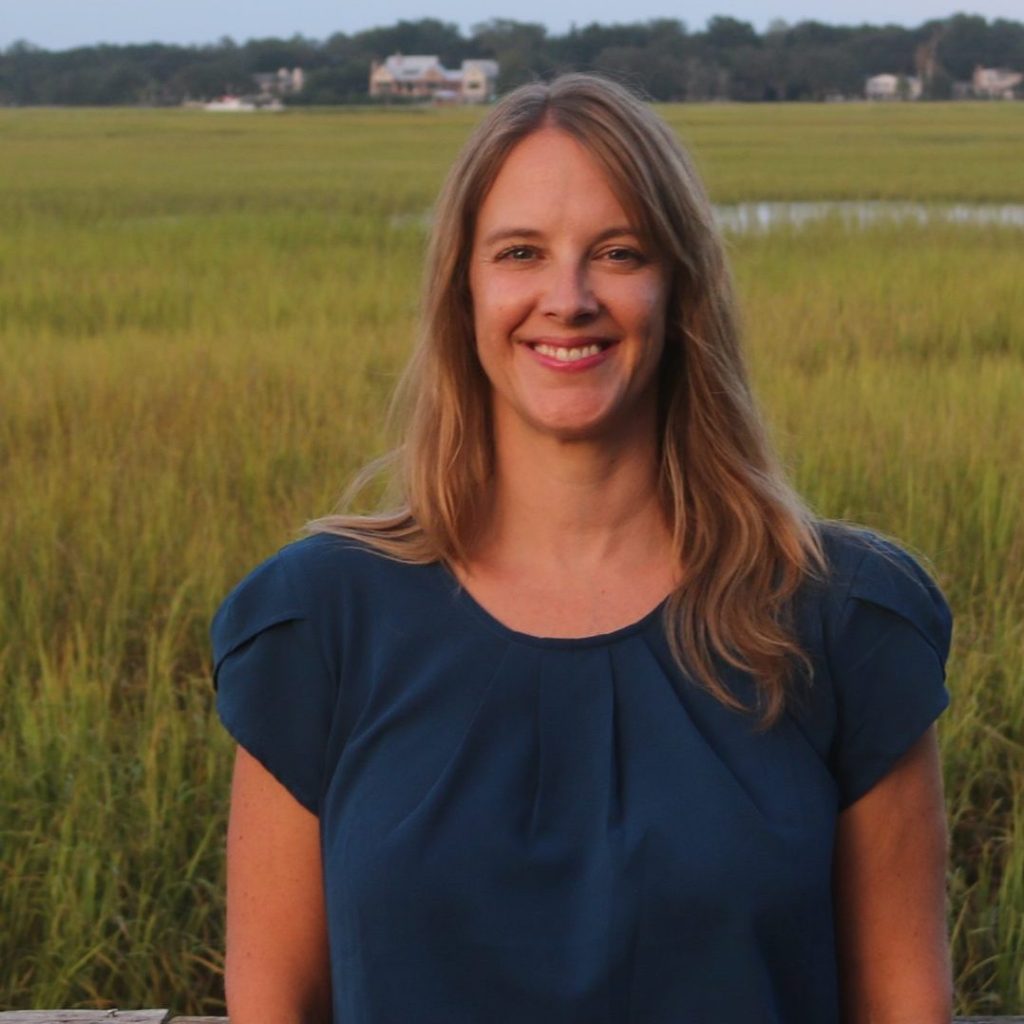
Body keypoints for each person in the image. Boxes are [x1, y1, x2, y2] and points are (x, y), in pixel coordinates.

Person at [211, 73, 954, 1023]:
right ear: (462, 292)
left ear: (680, 288)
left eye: (618, 252)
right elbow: (279, 1006)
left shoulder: (845, 618)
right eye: (520, 252)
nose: (567, 299)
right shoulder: (316, 623)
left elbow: (903, 1009)